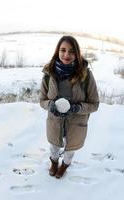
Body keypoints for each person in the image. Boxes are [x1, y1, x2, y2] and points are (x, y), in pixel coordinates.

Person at [39, 35, 99, 179]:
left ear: (77, 54)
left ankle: (65, 165)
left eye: (71, 51)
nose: (66, 55)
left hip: (76, 125)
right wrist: (50, 105)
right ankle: (54, 162)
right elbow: (42, 100)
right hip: (55, 122)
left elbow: (94, 104)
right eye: (63, 50)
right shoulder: (49, 74)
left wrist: (77, 108)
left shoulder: (86, 76)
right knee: (54, 146)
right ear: (57, 52)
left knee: (70, 149)